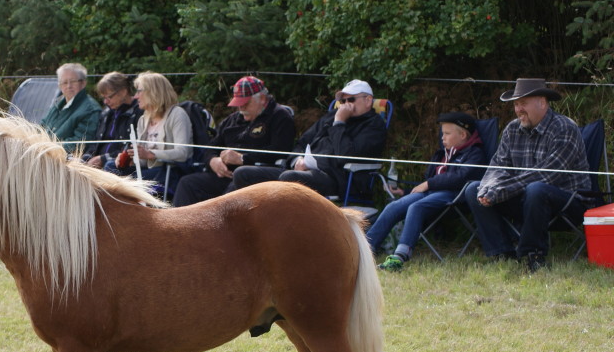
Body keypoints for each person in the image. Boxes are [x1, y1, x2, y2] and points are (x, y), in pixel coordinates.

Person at [463, 78, 599, 272]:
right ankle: (501, 253)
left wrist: (501, 191)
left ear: (542, 103)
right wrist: (488, 189)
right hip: (526, 199)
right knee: (473, 189)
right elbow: (498, 166)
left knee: (536, 189)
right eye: (516, 104)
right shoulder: (512, 129)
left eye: (523, 103)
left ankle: (532, 254)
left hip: (570, 203)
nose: (518, 109)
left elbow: (548, 175)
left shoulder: (565, 128)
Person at [368, 112, 487, 271]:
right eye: (442, 133)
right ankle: (366, 249)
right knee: (393, 207)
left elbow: (461, 177)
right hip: (430, 194)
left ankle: (399, 256)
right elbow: (426, 184)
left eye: (447, 133)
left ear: (463, 135)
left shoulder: (475, 153)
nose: (442, 137)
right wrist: (405, 192)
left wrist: (429, 184)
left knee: (416, 207)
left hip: (454, 195)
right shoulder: (442, 154)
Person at [231, 79, 387, 199]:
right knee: (243, 173)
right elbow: (302, 142)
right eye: (343, 101)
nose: (346, 105)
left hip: (338, 178)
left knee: (289, 178)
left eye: (351, 100)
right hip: (303, 171)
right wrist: (297, 160)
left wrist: (339, 123)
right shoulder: (331, 116)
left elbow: (344, 156)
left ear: (368, 100)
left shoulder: (373, 125)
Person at [173, 76, 295, 207]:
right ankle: (179, 226)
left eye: (245, 103)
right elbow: (210, 147)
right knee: (188, 183)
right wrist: (213, 161)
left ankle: (220, 224)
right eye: (238, 104)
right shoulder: (232, 120)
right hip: (226, 175)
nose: (241, 108)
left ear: (262, 99)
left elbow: (280, 151)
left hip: (256, 177)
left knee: (237, 180)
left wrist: (243, 159)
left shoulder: (280, 117)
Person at [132, 71, 193, 197]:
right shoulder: (143, 120)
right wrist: (131, 159)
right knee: (112, 169)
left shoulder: (177, 114)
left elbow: (182, 153)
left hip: (171, 172)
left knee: (127, 183)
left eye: (139, 91)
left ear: (153, 92)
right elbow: (144, 162)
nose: (135, 96)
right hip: (151, 172)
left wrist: (151, 154)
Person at [80, 72, 142, 175]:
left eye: (109, 97)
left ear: (123, 92)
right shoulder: (106, 113)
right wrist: (86, 157)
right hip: (98, 163)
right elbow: (96, 142)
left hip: (116, 165)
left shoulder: (137, 113)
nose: (105, 102)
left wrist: (103, 159)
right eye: (103, 98)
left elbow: (130, 148)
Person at [39, 62, 101, 153]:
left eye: (73, 81)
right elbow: (42, 126)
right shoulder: (58, 103)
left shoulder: (90, 109)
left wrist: (48, 148)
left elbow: (79, 143)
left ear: (83, 83)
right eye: (64, 82)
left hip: (64, 160)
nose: (68, 86)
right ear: (60, 86)